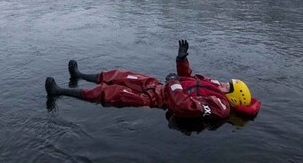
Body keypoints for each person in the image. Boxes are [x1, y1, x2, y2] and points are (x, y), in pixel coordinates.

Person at [45, 40, 261, 120]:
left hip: (156, 99)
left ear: (233, 96)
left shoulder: (219, 107)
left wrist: (175, 82)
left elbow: (185, 106)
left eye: (228, 86)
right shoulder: (213, 86)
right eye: (227, 82)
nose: (223, 83)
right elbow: (189, 79)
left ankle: (59, 91)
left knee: (110, 93)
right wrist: (182, 61)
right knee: (122, 75)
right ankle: (80, 75)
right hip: (160, 84)